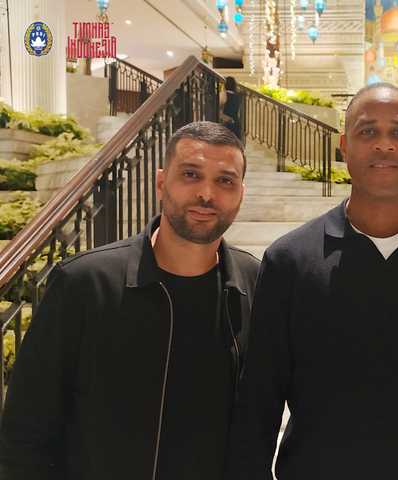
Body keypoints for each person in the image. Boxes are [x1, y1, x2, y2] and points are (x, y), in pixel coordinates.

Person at [225, 82, 398, 480]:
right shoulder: (289, 260)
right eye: (368, 131)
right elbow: (259, 403)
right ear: (344, 146)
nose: (384, 144)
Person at [0, 121, 260, 480]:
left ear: (240, 194)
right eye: (190, 174)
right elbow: (25, 432)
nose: (207, 193)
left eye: (225, 181)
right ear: (160, 183)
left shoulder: (254, 282)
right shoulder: (85, 283)